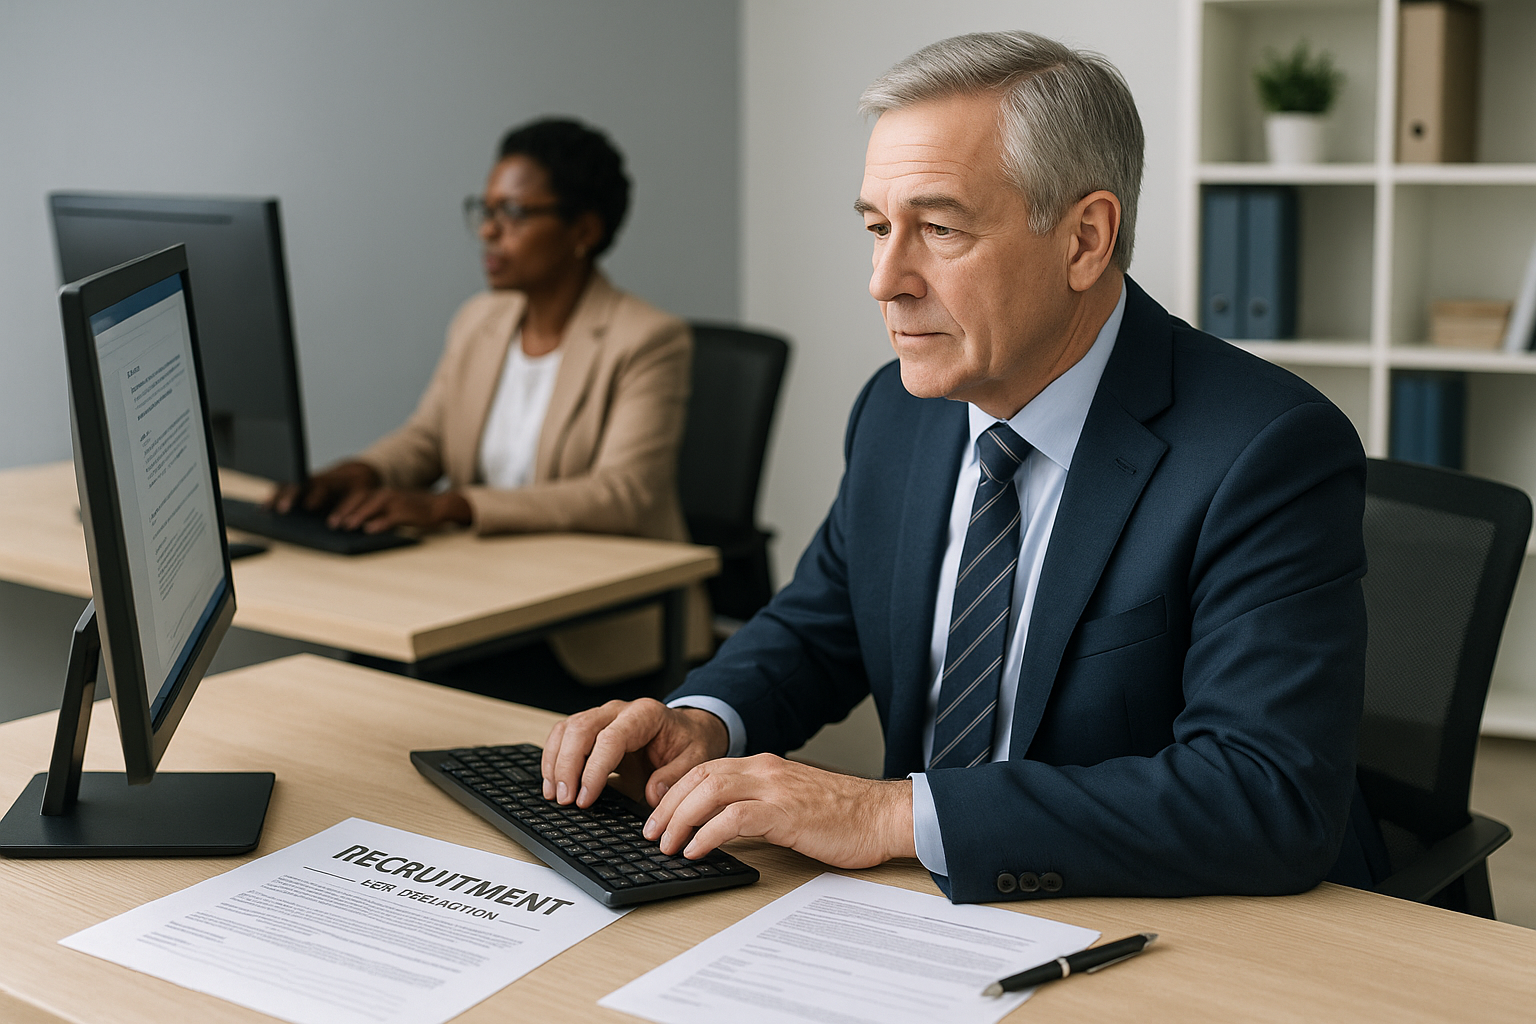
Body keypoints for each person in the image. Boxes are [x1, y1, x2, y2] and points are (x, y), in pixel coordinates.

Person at [539, 31, 1389, 903]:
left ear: (1085, 239)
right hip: (929, 914)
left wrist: (888, 816)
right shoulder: (899, 408)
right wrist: (703, 721)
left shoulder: (1266, 449)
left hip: (1164, 921)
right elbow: (821, 623)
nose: (884, 279)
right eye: (877, 227)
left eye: (938, 228)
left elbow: (1265, 796)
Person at [276, 118, 709, 687]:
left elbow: (621, 495)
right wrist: (361, 472)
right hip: (482, 592)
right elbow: (427, 438)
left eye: (514, 214)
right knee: (366, 668)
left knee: (403, 684)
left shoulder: (648, 338)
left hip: (588, 627)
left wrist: (451, 508)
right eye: (485, 210)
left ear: (583, 229)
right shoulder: (479, 321)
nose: (488, 232)